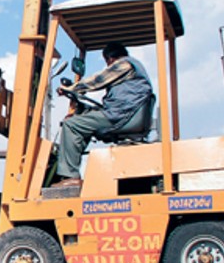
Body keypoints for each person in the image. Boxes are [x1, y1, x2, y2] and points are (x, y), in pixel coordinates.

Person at [52, 42, 153, 188]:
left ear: (110, 59)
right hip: (124, 113)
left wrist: (71, 88)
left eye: (107, 63)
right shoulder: (135, 69)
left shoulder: (124, 65)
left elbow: (97, 81)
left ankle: (69, 176)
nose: (108, 66)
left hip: (120, 116)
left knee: (71, 125)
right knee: (83, 119)